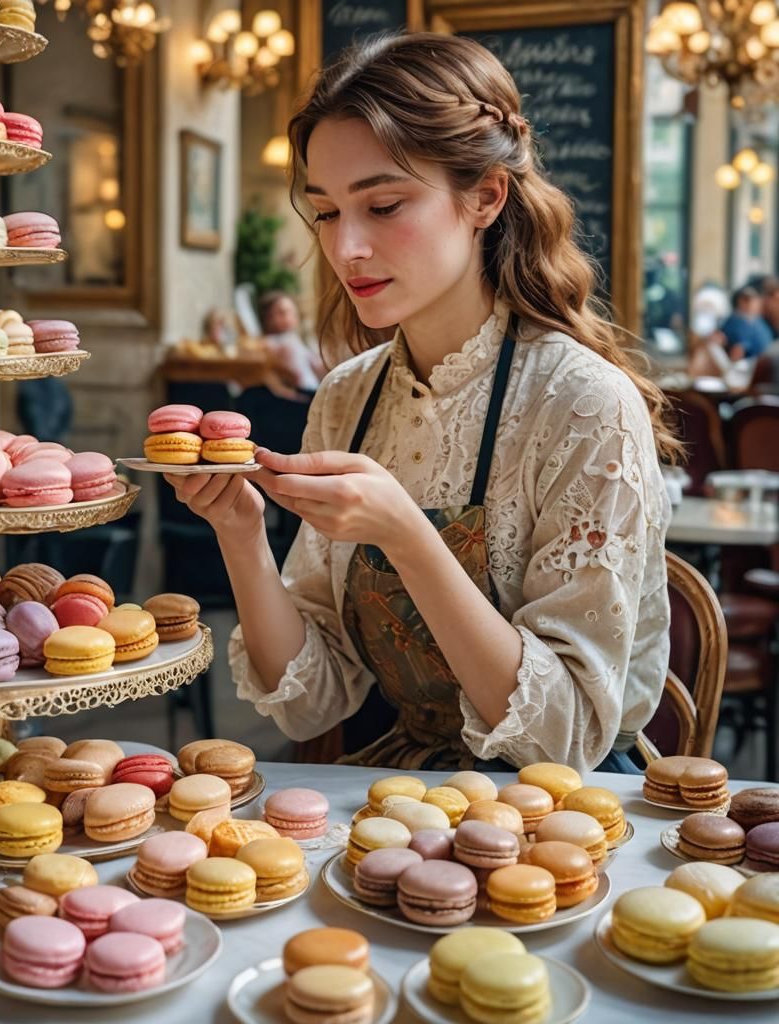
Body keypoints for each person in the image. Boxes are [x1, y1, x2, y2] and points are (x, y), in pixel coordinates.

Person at [166, 33, 677, 773]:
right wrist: (241, 534)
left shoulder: (582, 405)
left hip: (562, 814)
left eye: (382, 205)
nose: (346, 250)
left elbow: (560, 738)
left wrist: (407, 534)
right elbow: (313, 701)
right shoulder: (349, 396)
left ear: (485, 196)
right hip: (408, 794)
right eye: (328, 213)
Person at [256, 290, 326, 397]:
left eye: (292, 311)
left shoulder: (295, 338)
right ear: (268, 317)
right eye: (283, 312)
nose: (291, 316)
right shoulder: (273, 342)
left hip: (315, 390)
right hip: (305, 393)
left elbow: (318, 367)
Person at [720, 286, 772, 360]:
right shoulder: (733, 320)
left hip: (760, 363)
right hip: (738, 363)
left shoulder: (761, 323)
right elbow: (722, 336)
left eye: (752, 299)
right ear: (739, 301)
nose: (749, 303)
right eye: (745, 300)